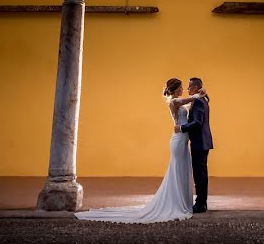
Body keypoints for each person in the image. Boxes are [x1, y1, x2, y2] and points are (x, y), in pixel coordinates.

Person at [74, 77, 208, 223]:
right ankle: (175, 202)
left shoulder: (181, 102)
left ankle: (182, 201)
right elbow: (190, 100)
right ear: (176, 90)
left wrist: (201, 97)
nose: (184, 89)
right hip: (178, 140)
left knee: (182, 169)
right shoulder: (174, 102)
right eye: (182, 87)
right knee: (177, 169)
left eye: (186, 87)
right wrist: (199, 94)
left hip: (183, 140)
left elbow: (192, 107)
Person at [174, 77, 213, 213]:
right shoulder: (202, 100)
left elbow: (197, 123)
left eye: (189, 86)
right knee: (201, 174)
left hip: (200, 143)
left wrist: (182, 128)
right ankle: (202, 202)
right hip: (202, 142)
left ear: (195, 88)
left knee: (199, 175)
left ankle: (200, 204)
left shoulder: (198, 103)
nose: (187, 89)